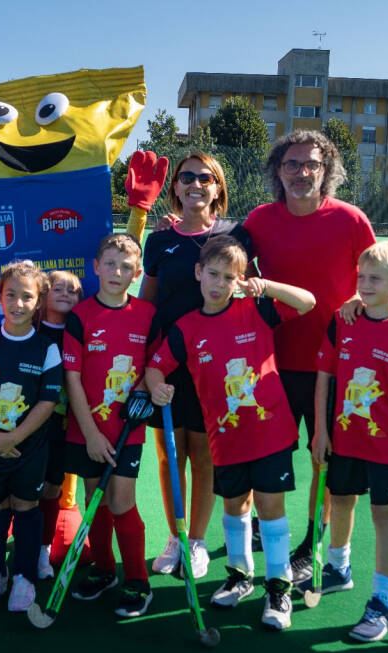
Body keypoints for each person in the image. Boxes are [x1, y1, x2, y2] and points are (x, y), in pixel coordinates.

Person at [242, 131, 388, 583]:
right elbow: (230, 268)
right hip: (271, 363)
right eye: (292, 164)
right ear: (277, 171)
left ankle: (311, 544)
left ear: (327, 172)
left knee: (321, 459)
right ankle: (255, 531)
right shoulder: (259, 220)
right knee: (263, 454)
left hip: (338, 369)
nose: (302, 172)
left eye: (312, 164)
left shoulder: (351, 220)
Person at [146, 236, 315, 631]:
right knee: (235, 507)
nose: (219, 284)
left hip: (270, 433)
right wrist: (156, 385)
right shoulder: (186, 328)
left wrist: (265, 285)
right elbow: (156, 366)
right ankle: (240, 576)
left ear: (240, 280)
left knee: (271, 510)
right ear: (198, 273)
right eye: (214, 274)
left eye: (229, 277)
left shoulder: (257, 309)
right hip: (225, 439)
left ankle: (278, 587)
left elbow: (307, 302)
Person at [299, 241, 388, 642]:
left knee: (384, 515)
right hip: (342, 436)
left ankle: (381, 601)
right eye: (362, 278)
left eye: (376, 279)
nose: (365, 285)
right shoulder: (343, 320)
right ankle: (339, 568)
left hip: (385, 444)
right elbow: (324, 377)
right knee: (340, 498)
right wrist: (320, 430)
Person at [140, 153, 252, 579]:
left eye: (205, 178)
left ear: (218, 188)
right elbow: (147, 304)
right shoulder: (159, 240)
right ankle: (176, 537)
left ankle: (199, 541)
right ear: (176, 188)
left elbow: (249, 285)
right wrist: (143, 363)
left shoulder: (233, 235)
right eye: (186, 177)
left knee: (204, 455)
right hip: (165, 362)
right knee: (170, 455)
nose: (195, 184)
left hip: (214, 364)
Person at [0, 261, 62, 611]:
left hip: (29, 448)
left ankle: (23, 577)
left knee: (26, 506)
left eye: (27, 297)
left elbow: (48, 400)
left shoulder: (47, 348)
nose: (18, 303)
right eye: (11, 295)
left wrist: (15, 437)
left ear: (39, 301)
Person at [63, 233, 156, 616]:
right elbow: (73, 380)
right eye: (110, 264)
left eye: (126, 267)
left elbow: (154, 368)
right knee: (93, 500)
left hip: (127, 430)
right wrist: (91, 434)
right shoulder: (80, 316)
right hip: (87, 431)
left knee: (121, 501)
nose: (117, 272)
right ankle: (104, 569)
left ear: (136, 273)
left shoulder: (148, 316)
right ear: (96, 267)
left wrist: (153, 391)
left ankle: (137, 580)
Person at [37, 270, 82, 579]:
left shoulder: (81, 332)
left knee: (54, 485)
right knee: (27, 486)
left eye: (74, 290)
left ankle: (42, 549)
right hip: (28, 423)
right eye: (59, 288)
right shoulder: (29, 329)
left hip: (64, 423)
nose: (67, 293)